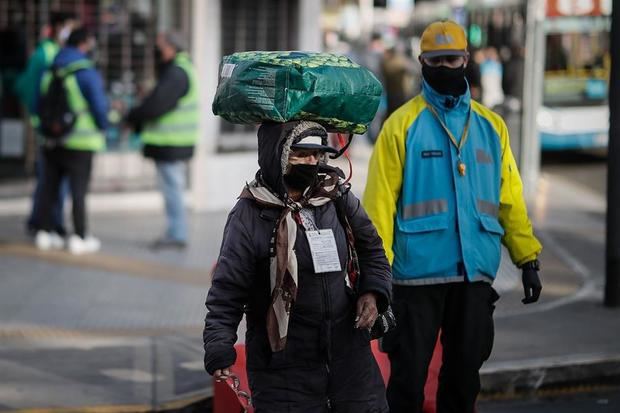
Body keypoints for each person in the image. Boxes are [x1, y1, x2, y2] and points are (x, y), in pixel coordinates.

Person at [363, 20, 543, 413]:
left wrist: (527, 258)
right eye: (436, 60)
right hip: (414, 280)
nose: (445, 66)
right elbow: (378, 208)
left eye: (453, 59)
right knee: (407, 382)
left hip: (473, 277)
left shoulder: (491, 127)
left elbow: (509, 197)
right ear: (422, 62)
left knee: (463, 381)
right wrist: (377, 281)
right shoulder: (401, 126)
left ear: (467, 60)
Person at [203, 121, 392, 412]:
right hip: (282, 366)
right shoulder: (249, 213)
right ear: (276, 156)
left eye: (317, 156)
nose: (312, 162)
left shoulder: (336, 197)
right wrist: (219, 348)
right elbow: (227, 291)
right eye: (301, 154)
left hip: (349, 356)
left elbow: (372, 250)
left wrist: (373, 293)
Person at [35, 27, 108, 254]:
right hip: (81, 143)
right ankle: (79, 236)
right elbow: (99, 107)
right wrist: (104, 125)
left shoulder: (51, 69)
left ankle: (46, 233)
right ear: (84, 43)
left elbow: (38, 104)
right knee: (78, 191)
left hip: (52, 140)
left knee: (50, 187)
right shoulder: (85, 71)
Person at [125, 32, 199, 250]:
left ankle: (177, 233)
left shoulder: (177, 72)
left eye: (159, 46)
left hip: (172, 142)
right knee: (171, 187)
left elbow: (157, 104)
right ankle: (175, 231)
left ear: (170, 48)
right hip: (171, 142)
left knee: (172, 188)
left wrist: (133, 116)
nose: (156, 50)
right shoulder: (179, 70)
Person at [14, 11, 76, 237]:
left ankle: (41, 220)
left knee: (50, 177)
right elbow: (28, 88)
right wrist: (42, 118)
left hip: (56, 124)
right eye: (68, 26)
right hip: (49, 126)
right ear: (58, 27)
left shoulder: (57, 52)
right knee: (51, 177)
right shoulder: (46, 54)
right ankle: (48, 222)